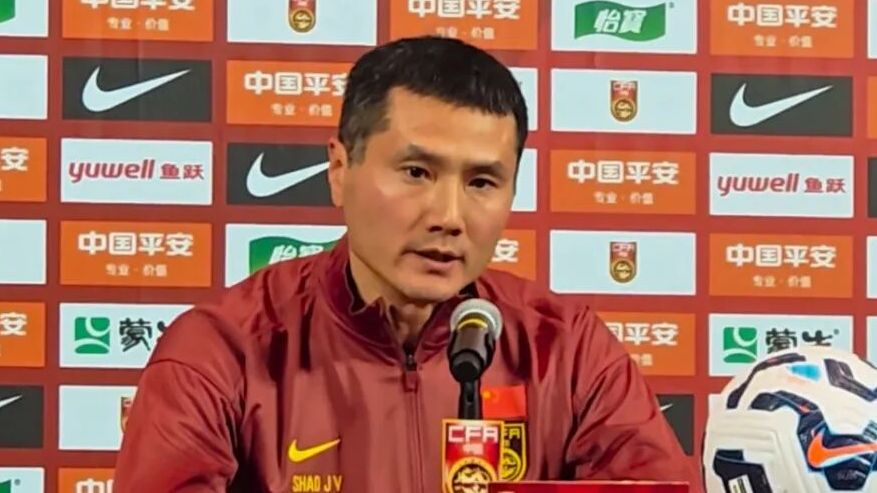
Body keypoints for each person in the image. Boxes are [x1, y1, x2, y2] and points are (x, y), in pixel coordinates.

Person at [114, 35, 701, 492]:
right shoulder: (222, 351)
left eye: (482, 182)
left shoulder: (568, 351)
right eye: (417, 172)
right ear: (340, 169)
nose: (448, 216)